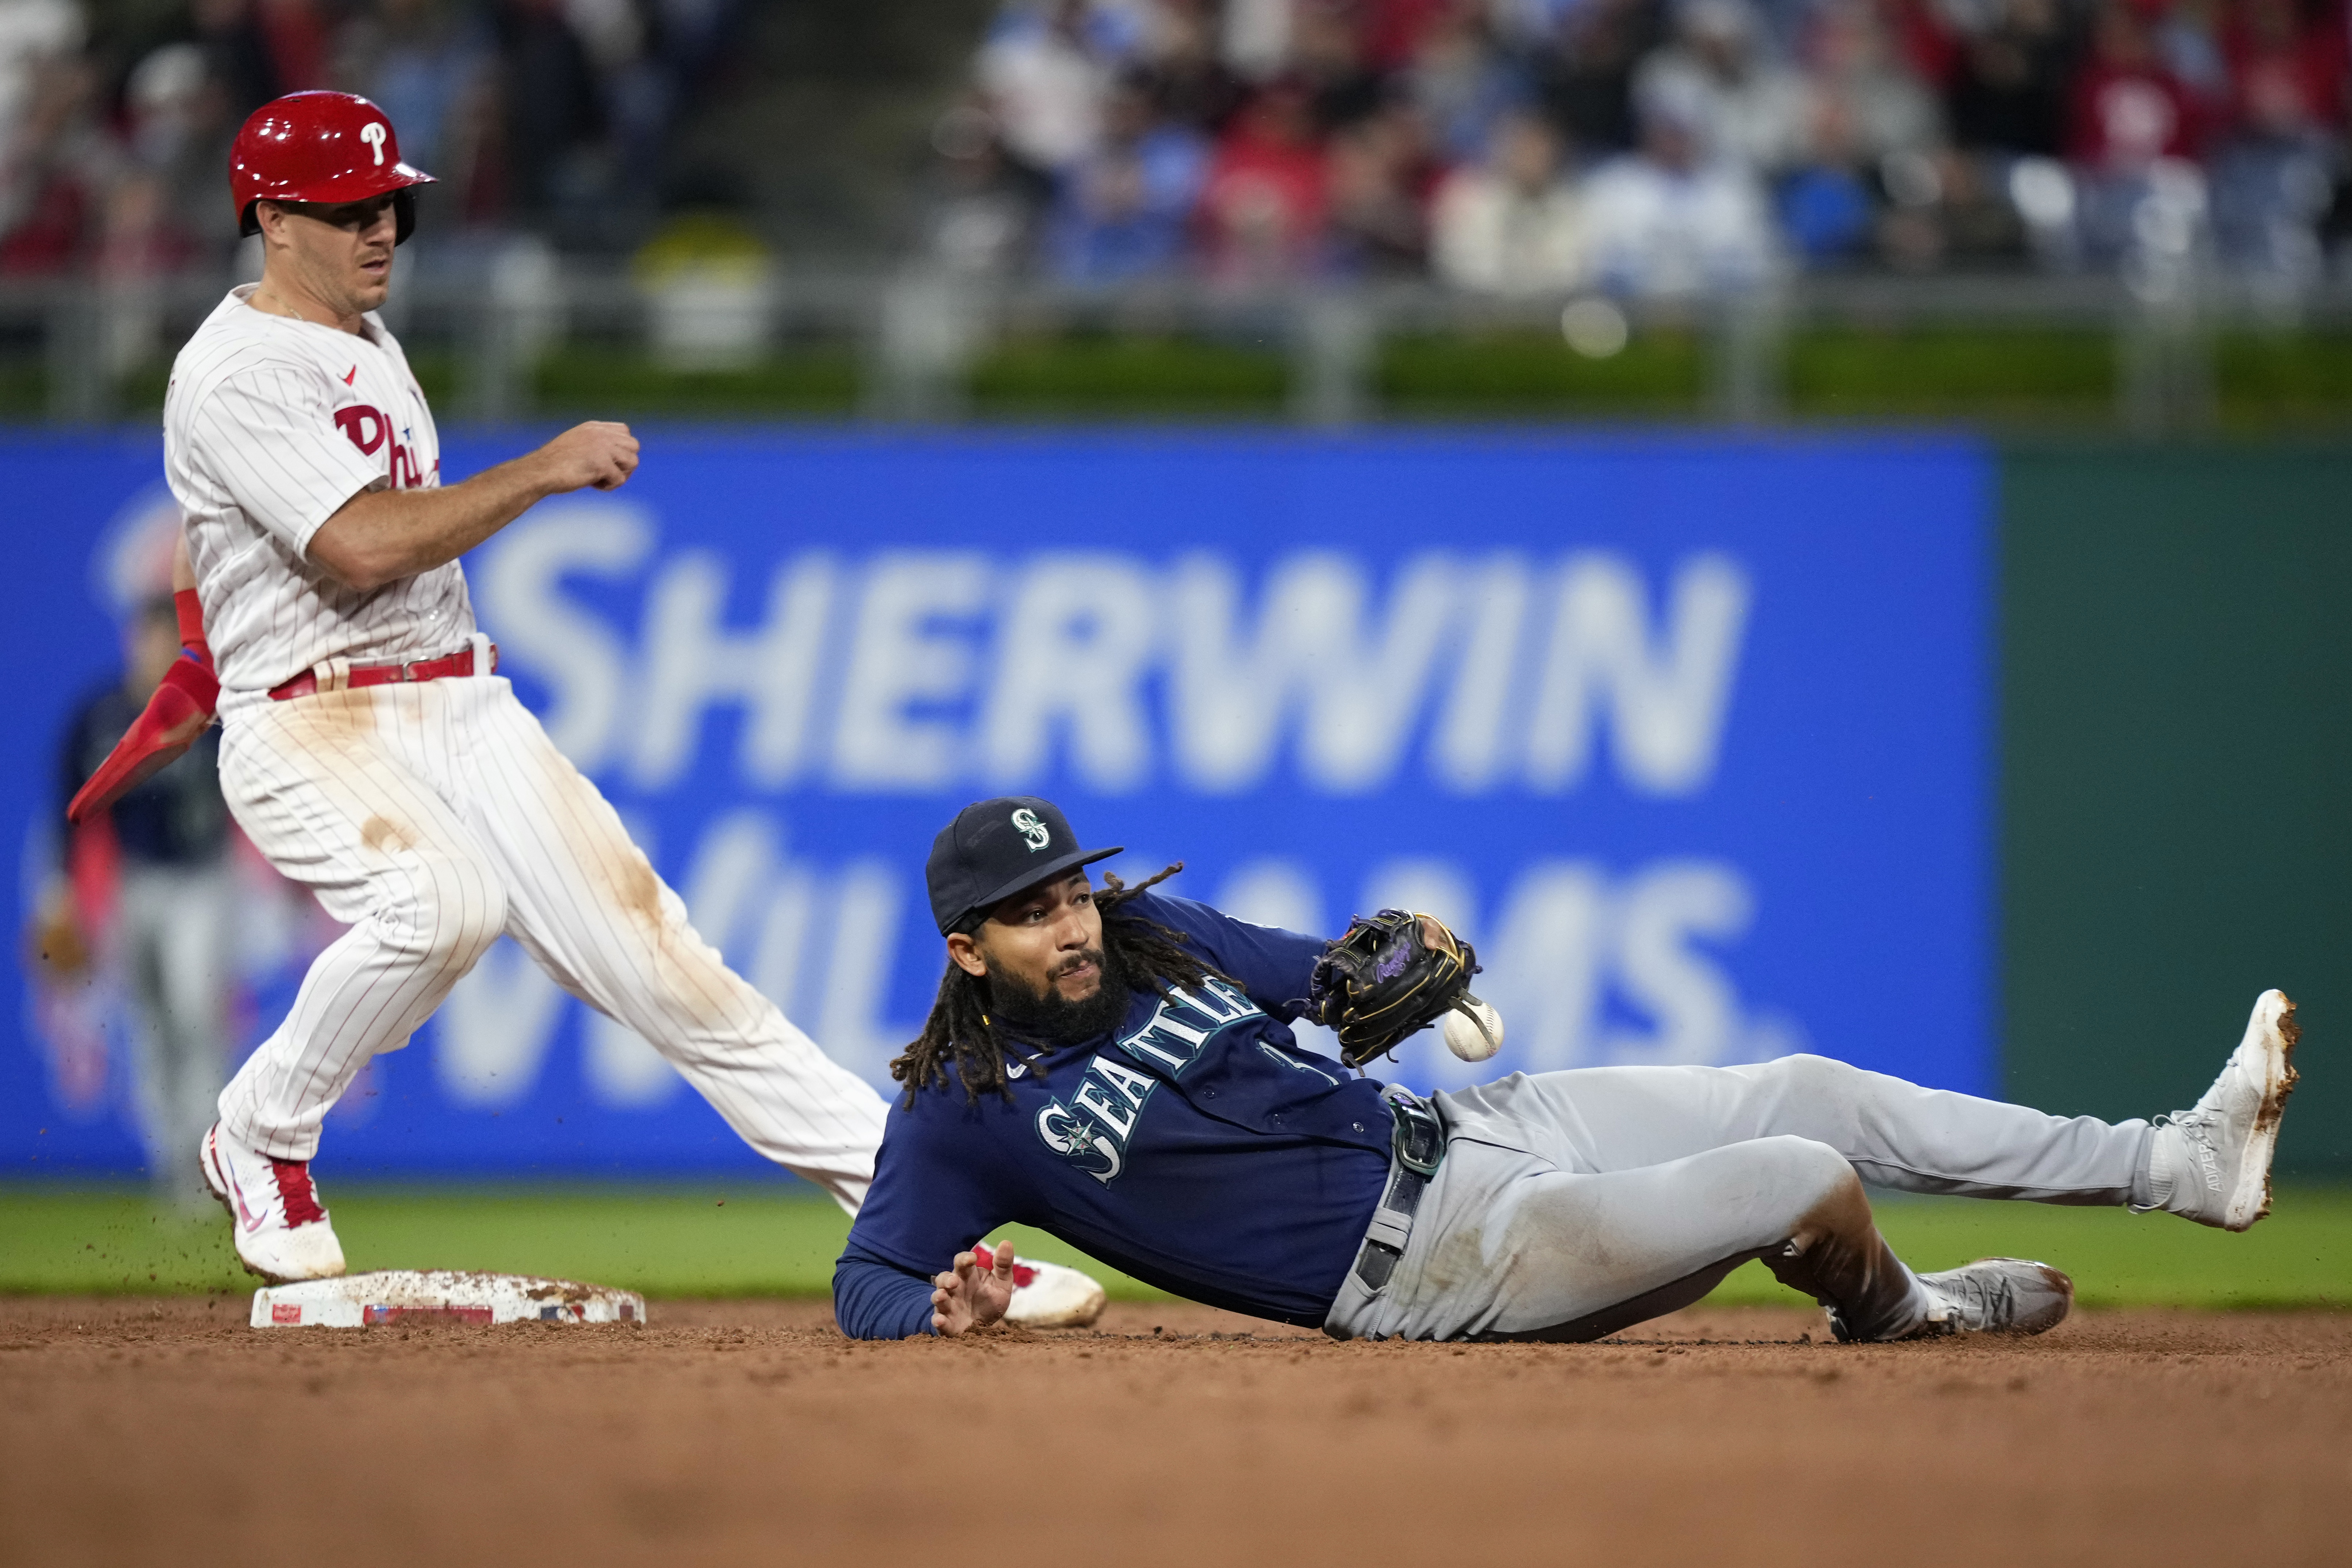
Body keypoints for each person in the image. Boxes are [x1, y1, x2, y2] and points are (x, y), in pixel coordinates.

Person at [72, 89, 1103, 1325]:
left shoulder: (359, 339)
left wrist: (193, 651)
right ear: (271, 217)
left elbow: (212, 522)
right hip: (319, 724)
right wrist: (544, 468)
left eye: (390, 202)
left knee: (686, 983)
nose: (381, 227)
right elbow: (353, 544)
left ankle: (941, 1243)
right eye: (349, 208)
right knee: (442, 903)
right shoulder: (235, 367)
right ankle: (255, 1132)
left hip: (461, 705)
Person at [832, 794, 2300, 1342]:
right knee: (1798, 1179)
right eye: (1031, 915)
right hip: (1442, 1271)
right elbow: (867, 1281)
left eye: (1073, 891)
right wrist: (942, 1314)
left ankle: (2182, 1162)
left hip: (1467, 1130)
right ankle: (1906, 1310)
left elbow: (1329, 982)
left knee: (1809, 1088)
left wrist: (1394, 967)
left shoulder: (1148, 935)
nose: (1070, 922)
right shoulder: (961, 1112)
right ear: (968, 951)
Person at [40, 589, 236, 1210]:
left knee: (195, 1013)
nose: (150, 649)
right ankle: (173, 1167)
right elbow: (67, 812)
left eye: (164, 638)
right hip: (135, 883)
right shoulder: (100, 714)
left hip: (203, 882)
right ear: (131, 641)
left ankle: (212, 1166)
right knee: (150, 1027)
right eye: (145, 636)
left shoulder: (205, 711)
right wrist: (60, 893)